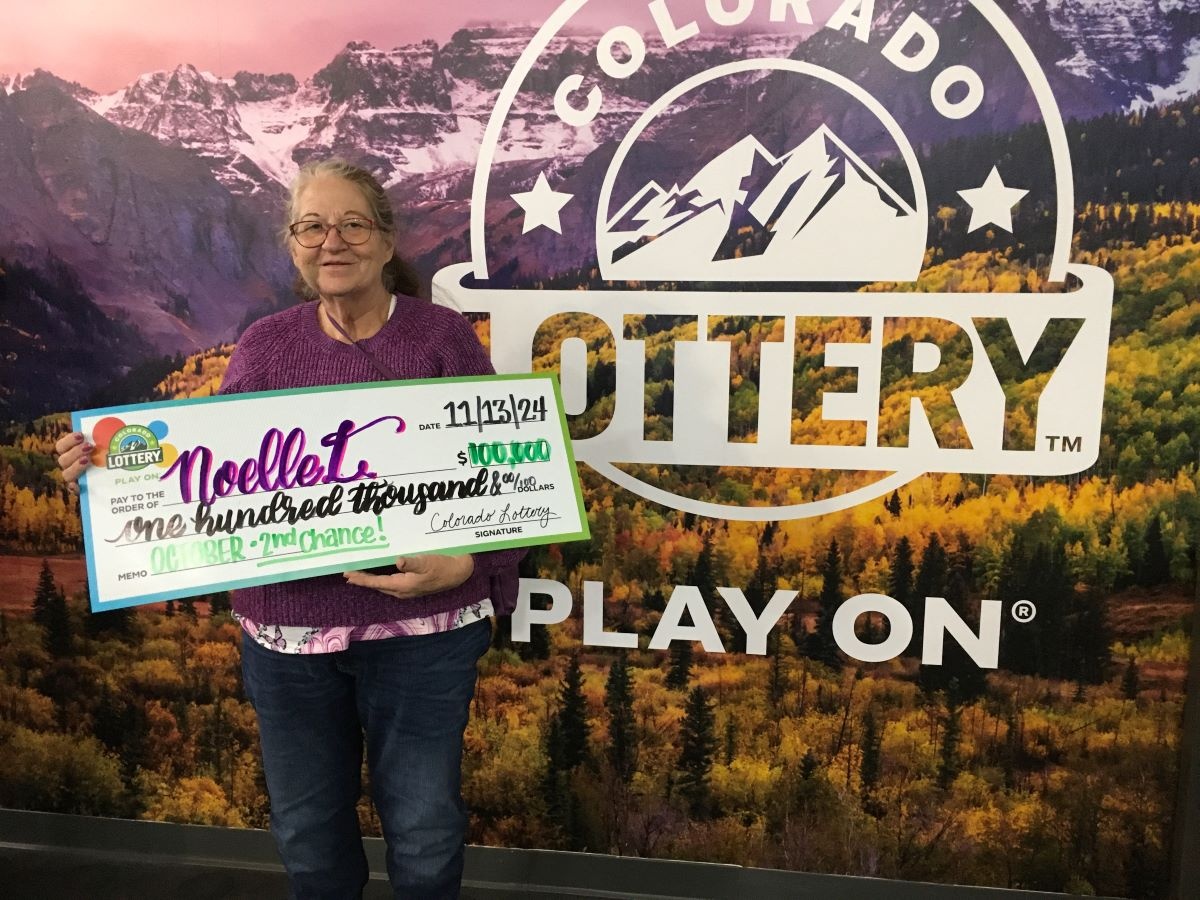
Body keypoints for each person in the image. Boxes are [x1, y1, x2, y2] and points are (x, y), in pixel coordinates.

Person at [55, 158, 523, 900]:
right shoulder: (267, 345)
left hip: (426, 634)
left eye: (351, 224)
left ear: (383, 237)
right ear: (293, 242)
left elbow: (509, 476)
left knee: (426, 830)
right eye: (311, 226)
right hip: (288, 639)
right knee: (308, 836)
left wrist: (467, 567)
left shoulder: (441, 337)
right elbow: (204, 473)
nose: (330, 241)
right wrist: (108, 469)